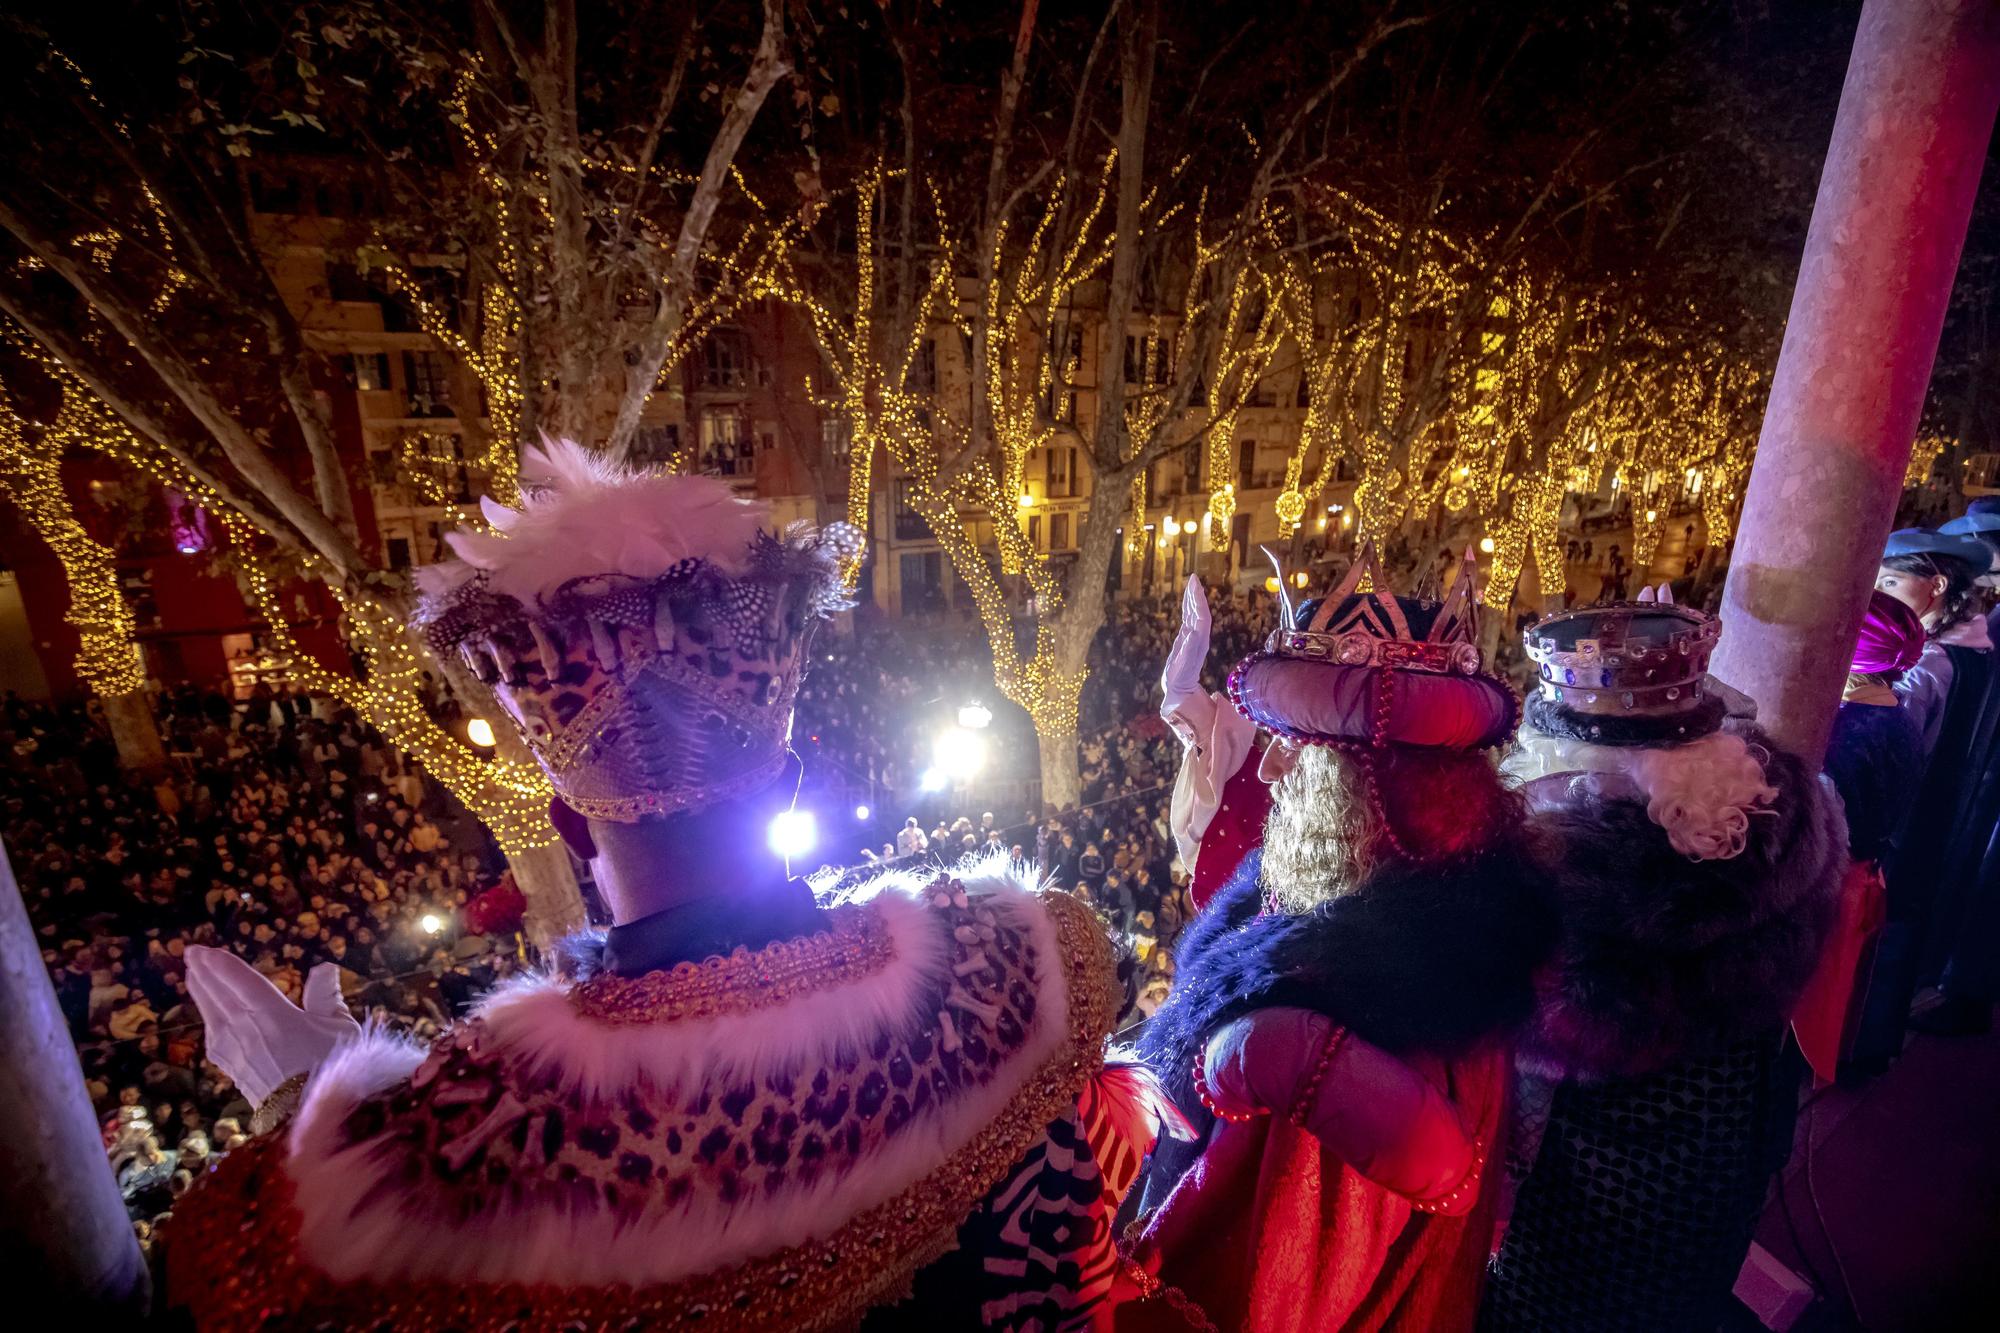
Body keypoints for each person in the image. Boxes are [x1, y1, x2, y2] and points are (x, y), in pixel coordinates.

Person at [166, 441, 1160, 1329]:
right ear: (790, 776)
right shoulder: (1002, 974)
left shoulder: (475, 1151)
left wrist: (309, 1111)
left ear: (561, 822)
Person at [1122, 547, 1553, 1332]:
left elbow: (1266, 1291)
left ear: (1385, 792)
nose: (1270, 768)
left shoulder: (1362, 1017)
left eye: (1300, 745)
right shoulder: (1382, 924)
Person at [1482, 585, 1845, 1333]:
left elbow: (1515, 1011)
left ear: (1568, 755)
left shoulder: (1546, 886)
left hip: (1575, 1173)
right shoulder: (1784, 829)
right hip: (1724, 1132)